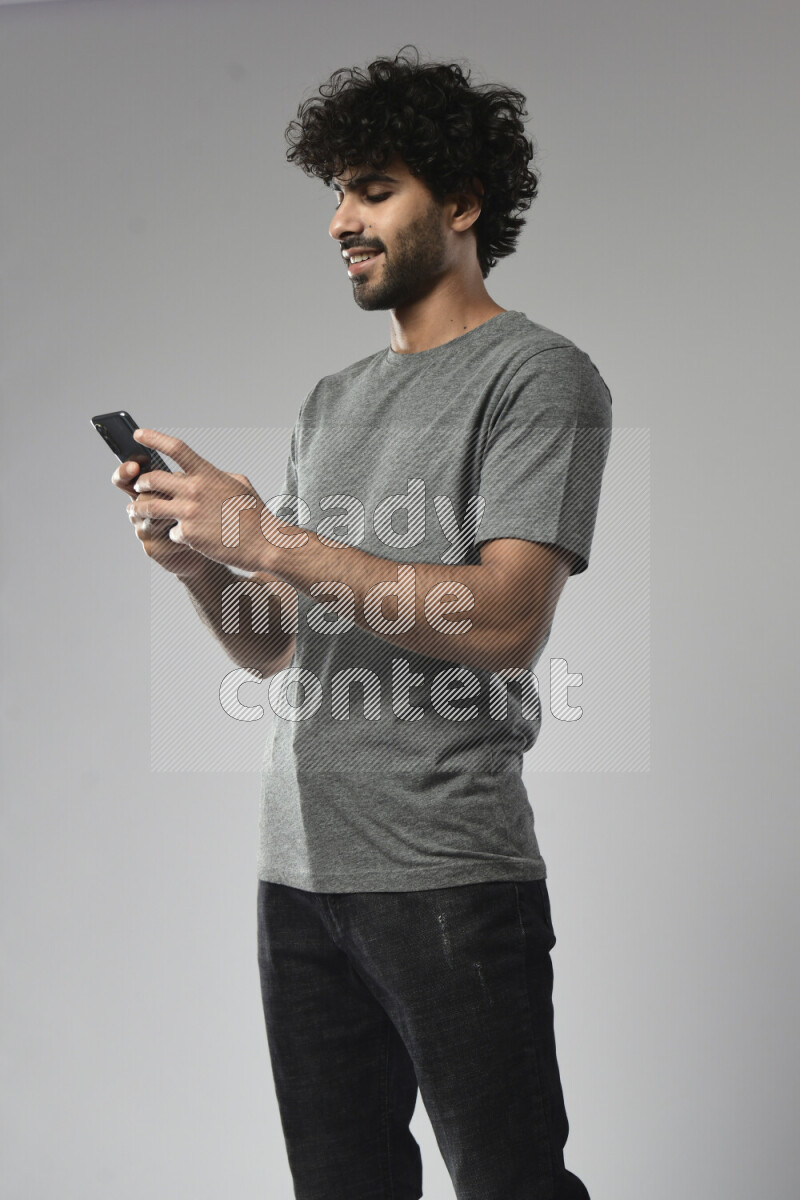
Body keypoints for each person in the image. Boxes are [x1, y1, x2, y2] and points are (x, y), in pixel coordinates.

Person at [114, 45, 611, 1200]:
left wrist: (269, 536)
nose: (340, 218)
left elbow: (502, 623)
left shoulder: (538, 377)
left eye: (372, 187)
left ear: (461, 201)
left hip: (445, 874)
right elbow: (283, 641)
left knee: (511, 1187)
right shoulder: (329, 401)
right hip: (297, 872)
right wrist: (205, 564)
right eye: (335, 191)